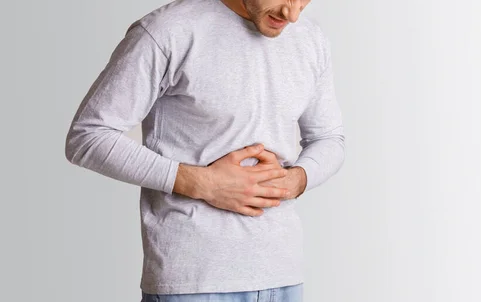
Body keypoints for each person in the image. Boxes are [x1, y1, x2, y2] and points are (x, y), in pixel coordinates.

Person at [64, 0, 345, 301]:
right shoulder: (169, 31)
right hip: (193, 281)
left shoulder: (309, 38)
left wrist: (297, 179)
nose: (292, 14)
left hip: (283, 276)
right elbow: (88, 136)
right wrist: (201, 183)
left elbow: (329, 138)